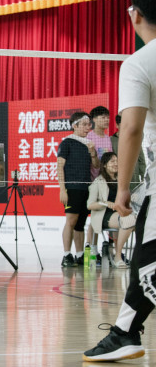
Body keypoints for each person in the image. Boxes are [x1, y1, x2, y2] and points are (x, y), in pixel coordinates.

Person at [84, 0, 156, 362]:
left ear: (135, 15)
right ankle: (125, 331)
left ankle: (125, 333)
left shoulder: (139, 63)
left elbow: (130, 129)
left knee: (148, 257)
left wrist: (123, 188)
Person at [57, 112, 100, 267]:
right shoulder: (66, 142)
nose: (88, 127)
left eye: (89, 124)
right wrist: (63, 189)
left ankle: (80, 255)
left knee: (80, 223)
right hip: (72, 188)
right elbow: (59, 166)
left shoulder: (89, 144)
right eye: (85, 124)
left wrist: (93, 153)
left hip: (86, 188)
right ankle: (66, 255)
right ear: (75, 126)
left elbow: (96, 166)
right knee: (71, 221)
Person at [86, 152, 134, 268]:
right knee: (127, 220)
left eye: (117, 161)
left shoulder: (122, 181)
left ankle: (137, 257)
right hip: (104, 215)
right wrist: (105, 203)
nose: (116, 163)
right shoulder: (98, 181)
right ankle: (118, 256)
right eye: (112, 161)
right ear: (104, 165)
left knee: (136, 220)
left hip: (120, 213)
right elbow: (90, 205)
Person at [85, 106, 114, 264]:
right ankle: (91, 249)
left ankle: (100, 249)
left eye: (107, 117)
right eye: (103, 117)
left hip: (106, 182)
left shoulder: (108, 138)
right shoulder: (89, 137)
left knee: (100, 216)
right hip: (93, 182)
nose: (106, 120)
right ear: (94, 119)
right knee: (94, 215)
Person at [111, 113, 146, 190]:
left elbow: (141, 161)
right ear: (117, 125)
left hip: (134, 179)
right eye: (123, 124)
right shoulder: (111, 140)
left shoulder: (134, 140)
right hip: (118, 179)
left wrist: (144, 177)